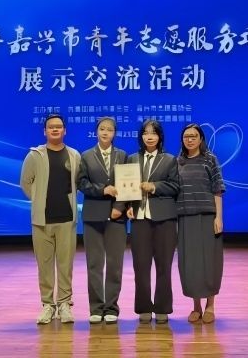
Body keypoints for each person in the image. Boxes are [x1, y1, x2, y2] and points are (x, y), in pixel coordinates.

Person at [20, 114, 81, 325]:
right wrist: (39, 200)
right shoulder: (34, 155)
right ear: (45, 131)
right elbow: (25, 182)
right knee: (44, 265)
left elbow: (78, 183)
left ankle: (64, 304)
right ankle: (47, 304)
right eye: (51, 127)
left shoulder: (74, 155)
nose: (55, 129)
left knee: (65, 265)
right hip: (41, 221)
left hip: (67, 219)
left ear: (65, 130)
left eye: (59, 126)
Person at [126, 119, 179, 324]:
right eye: (146, 133)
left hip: (164, 219)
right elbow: (126, 186)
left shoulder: (169, 159)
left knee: (164, 266)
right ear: (141, 136)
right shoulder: (132, 158)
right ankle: (144, 308)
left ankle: (163, 308)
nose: (149, 137)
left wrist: (154, 186)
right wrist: (128, 205)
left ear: (160, 137)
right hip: (139, 219)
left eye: (154, 133)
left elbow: (175, 186)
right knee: (141, 266)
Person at [77, 117, 128, 324]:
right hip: (93, 215)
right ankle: (96, 308)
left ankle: (112, 308)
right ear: (96, 132)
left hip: (116, 217)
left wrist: (119, 208)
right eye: (102, 129)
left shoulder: (122, 155)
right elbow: (81, 183)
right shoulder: (86, 156)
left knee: (115, 264)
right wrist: (102, 190)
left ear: (115, 133)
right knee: (94, 264)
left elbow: (127, 185)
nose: (105, 132)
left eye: (109, 130)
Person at [176, 123, 224, 324]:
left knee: (209, 262)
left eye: (194, 136)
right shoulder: (178, 161)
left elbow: (217, 188)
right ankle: (196, 306)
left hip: (207, 217)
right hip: (185, 217)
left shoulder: (210, 159)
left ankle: (210, 305)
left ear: (201, 139)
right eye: (186, 136)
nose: (190, 139)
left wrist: (218, 217)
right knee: (191, 264)